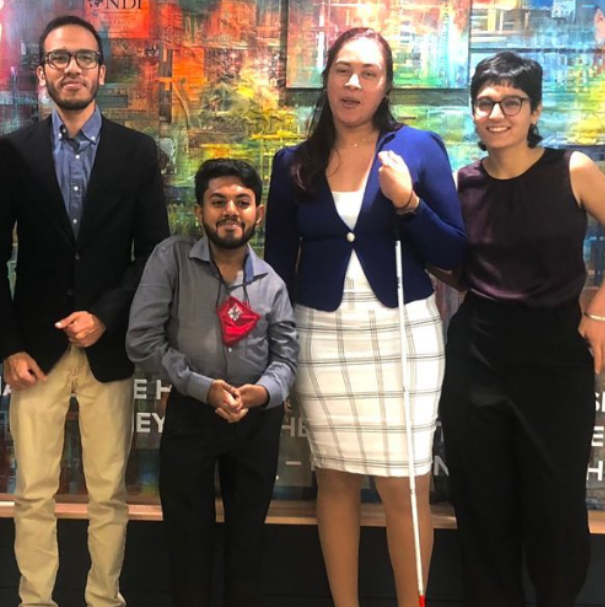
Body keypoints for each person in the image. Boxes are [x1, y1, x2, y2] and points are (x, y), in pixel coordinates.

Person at [264, 27, 466, 607]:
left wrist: (408, 203)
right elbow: (276, 268)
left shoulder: (420, 148)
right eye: (342, 70)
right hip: (322, 334)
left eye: (369, 73)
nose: (353, 83)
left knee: (406, 484)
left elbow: (453, 254)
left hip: (404, 332)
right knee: (334, 477)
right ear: (326, 77)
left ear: (385, 86)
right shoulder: (293, 163)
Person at [0, 15, 169, 607]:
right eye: (59, 59)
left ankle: (103, 598)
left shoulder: (138, 153)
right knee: (32, 491)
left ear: (101, 70)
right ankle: (36, 599)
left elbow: (154, 255)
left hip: (108, 351)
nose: (73, 69)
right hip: (34, 351)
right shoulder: (15, 151)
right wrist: (8, 345)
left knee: (108, 493)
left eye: (84, 58)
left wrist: (107, 314)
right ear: (43, 74)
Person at [439, 51, 605, 607]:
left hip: (556, 355)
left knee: (556, 505)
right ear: (474, 111)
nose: (497, 113)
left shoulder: (572, 170)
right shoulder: (463, 184)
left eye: (512, 102)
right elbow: (454, 267)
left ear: (534, 111)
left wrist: (599, 312)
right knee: (481, 506)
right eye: (486, 102)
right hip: (477, 353)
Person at [127, 158, 298, 607]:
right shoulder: (172, 260)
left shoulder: (272, 284)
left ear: (257, 213)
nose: (230, 211)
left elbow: (287, 360)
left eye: (242, 202)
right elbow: (141, 340)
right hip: (191, 414)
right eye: (218, 201)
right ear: (201, 210)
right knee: (187, 545)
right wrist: (201, 386)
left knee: (248, 545)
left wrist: (262, 393)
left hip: (256, 422)